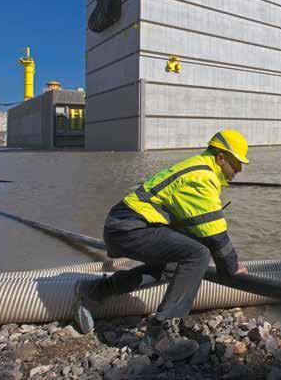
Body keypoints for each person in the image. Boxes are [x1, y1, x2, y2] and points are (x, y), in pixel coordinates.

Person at [73, 129, 250, 357]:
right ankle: (160, 332)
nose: (239, 169)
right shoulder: (202, 177)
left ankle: (93, 291)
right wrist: (231, 269)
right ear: (221, 157)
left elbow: (194, 224)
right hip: (129, 226)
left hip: (126, 223)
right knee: (197, 254)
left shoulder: (199, 169)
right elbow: (216, 235)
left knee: (174, 267)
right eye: (236, 163)